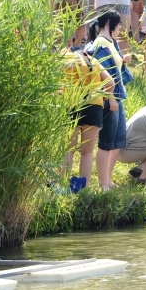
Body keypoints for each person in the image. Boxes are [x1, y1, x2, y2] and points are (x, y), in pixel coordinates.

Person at [85, 10, 131, 191]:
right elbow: (100, 74)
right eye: (118, 24)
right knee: (105, 143)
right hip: (109, 98)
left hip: (118, 96)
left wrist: (123, 60)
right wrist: (110, 97)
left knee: (117, 140)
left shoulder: (112, 43)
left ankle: (107, 179)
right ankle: (103, 182)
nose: (120, 27)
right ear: (108, 24)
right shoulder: (99, 44)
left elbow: (114, 69)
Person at [61, 48, 113, 190]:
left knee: (68, 149)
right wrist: (104, 98)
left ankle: (61, 185)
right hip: (94, 105)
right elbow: (111, 83)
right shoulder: (94, 61)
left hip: (72, 103)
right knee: (87, 152)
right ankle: (82, 189)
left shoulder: (65, 59)